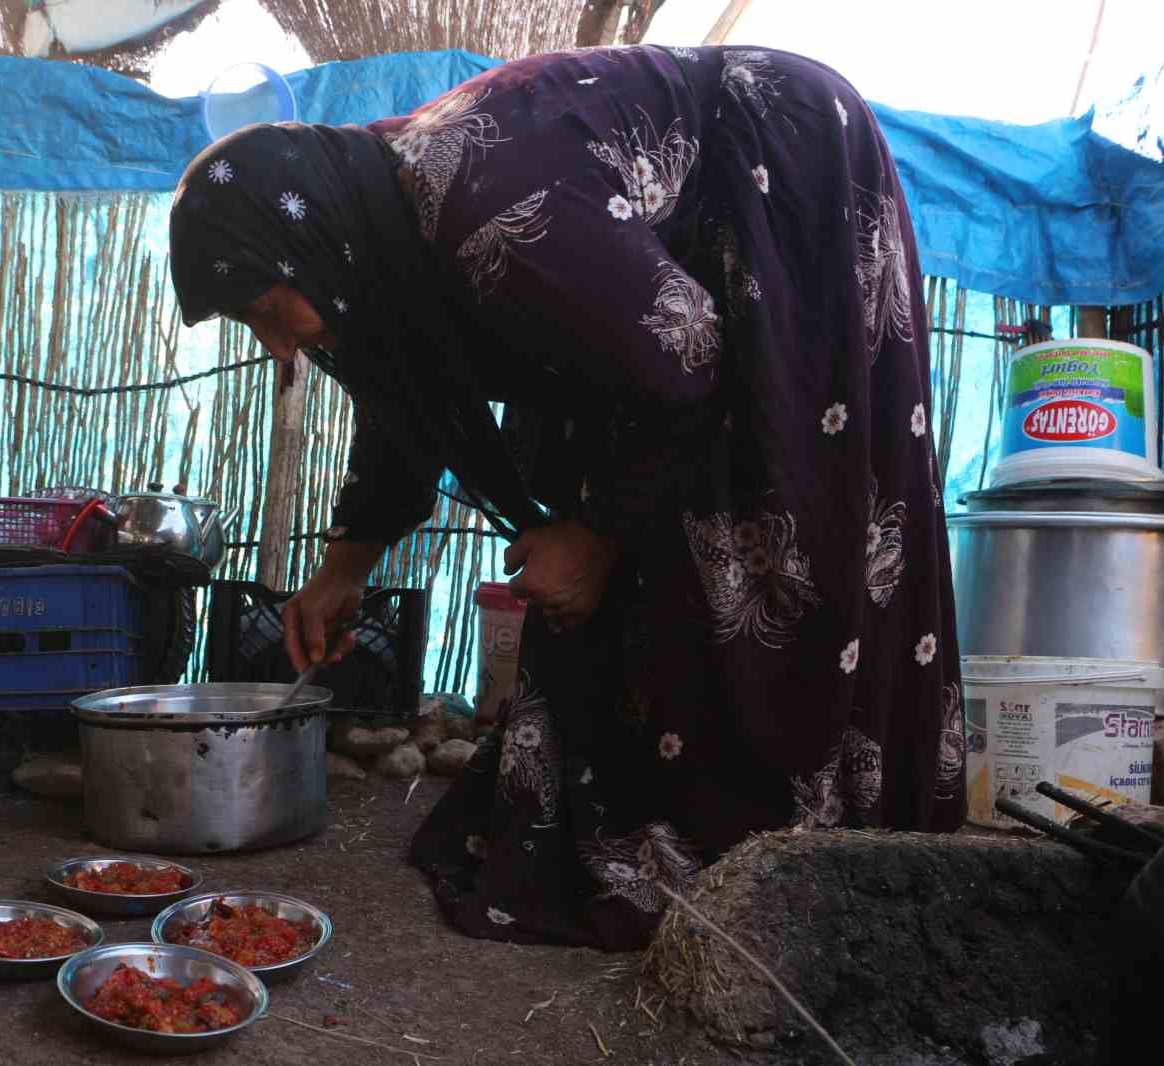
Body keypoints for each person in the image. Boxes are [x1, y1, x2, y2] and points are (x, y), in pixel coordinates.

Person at [168, 43, 964, 951]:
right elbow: (404, 395)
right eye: (253, 323)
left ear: (312, 242)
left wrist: (596, 534)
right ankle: (652, 792)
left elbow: (689, 353)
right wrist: (344, 565)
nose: (280, 346)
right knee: (631, 485)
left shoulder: (486, 212)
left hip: (781, 166)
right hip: (650, 275)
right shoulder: (374, 236)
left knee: (763, 512)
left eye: (271, 310)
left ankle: (796, 832)